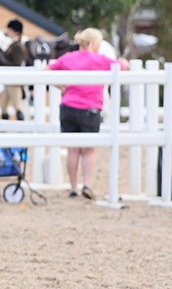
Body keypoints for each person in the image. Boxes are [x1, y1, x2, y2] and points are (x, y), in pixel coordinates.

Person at [48, 27, 129, 199]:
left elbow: (47, 71)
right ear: (93, 43)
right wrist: (123, 60)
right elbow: (122, 66)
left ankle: (72, 187)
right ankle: (87, 184)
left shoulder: (68, 57)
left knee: (72, 149)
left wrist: (61, 87)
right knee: (88, 150)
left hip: (68, 107)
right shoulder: (100, 60)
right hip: (90, 110)